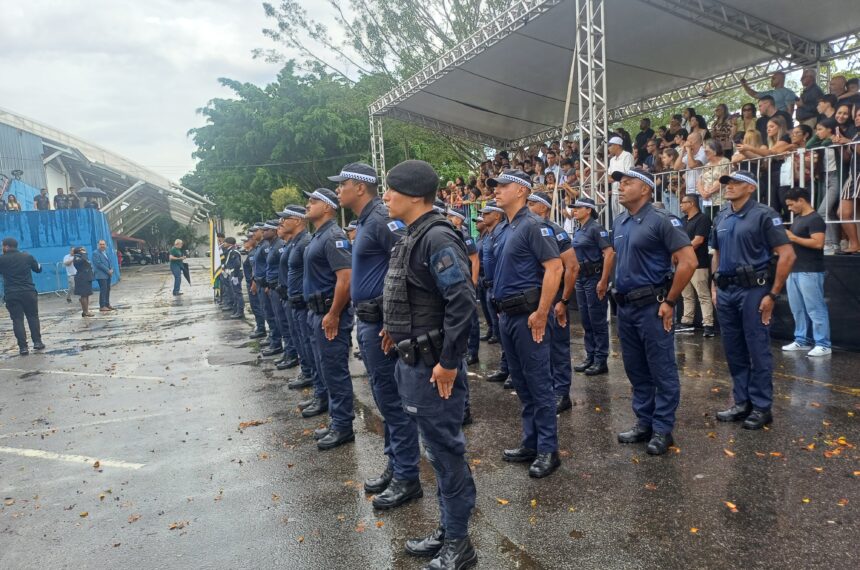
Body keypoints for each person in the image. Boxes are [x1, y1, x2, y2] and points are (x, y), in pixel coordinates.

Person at [381, 160, 477, 568]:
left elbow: (462, 301)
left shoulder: (437, 237)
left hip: (434, 366)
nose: (385, 197)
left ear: (415, 195)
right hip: (413, 361)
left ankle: (460, 543)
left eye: (391, 190)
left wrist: (449, 363)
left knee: (445, 453)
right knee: (435, 454)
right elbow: (414, 294)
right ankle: (448, 529)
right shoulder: (413, 235)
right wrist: (394, 328)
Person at [331, 162, 423, 509]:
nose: (338, 190)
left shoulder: (383, 219)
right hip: (368, 321)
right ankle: (396, 463)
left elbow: (406, 265)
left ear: (359, 186)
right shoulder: (366, 221)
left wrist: (392, 318)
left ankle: (407, 476)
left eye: (342, 183)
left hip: (382, 323)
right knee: (384, 400)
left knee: (394, 402)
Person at [610, 168, 696, 455]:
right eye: (620, 183)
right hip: (626, 307)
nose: (621, 188)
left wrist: (670, 301)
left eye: (628, 183)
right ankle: (643, 421)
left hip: (652, 306)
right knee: (636, 369)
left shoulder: (662, 220)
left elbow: (688, 262)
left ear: (645, 189)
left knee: (661, 369)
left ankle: (662, 429)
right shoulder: (620, 222)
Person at [489, 169, 564, 478]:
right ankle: (531, 442)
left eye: (503, 186)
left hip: (528, 316)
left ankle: (549, 449)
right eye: (496, 186)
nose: (497, 191)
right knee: (521, 383)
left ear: (520, 191)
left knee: (538, 382)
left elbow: (555, 267)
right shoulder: (503, 229)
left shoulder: (534, 225)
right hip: (507, 315)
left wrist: (543, 311)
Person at [711, 171, 796, 430]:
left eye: (735, 183)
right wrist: (715, 286)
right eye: (727, 183)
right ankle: (741, 402)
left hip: (753, 290)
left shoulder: (764, 214)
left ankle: (761, 407)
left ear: (750, 188)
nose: (729, 187)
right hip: (726, 290)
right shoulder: (721, 216)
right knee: (734, 348)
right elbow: (716, 252)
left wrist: (772, 294)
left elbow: (787, 254)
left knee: (757, 348)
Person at [302, 188, 355, 451]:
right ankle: (337, 420)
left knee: (335, 371)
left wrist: (334, 313)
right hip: (318, 313)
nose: (307, 205)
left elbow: (345, 278)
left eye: (313, 201)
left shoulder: (334, 236)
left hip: (329, 314)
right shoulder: (318, 236)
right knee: (325, 369)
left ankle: (344, 425)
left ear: (327, 207)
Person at [526, 190, 580, 413]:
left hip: (554, 297)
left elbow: (572, 266)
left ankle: (562, 393)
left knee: (557, 348)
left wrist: (564, 301)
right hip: (535, 299)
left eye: (532, 204)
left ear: (543, 208)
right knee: (539, 349)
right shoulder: (527, 229)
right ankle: (546, 390)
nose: (527, 207)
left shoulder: (555, 232)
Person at [782, 188, 831, 356]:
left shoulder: (815, 219)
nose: (789, 208)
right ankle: (801, 340)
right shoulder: (798, 219)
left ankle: (823, 343)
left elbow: (818, 243)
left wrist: (793, 238)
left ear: (801, 200)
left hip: (810, 270)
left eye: (791, 205)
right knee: (797, 309)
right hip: (795, 269)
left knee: (815, 308)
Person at [570, 198, 614, 376]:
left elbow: (609, 254)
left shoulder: (596, 228)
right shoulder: (579, 229)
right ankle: (590, 355)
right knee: (586, 319)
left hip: (594, 277)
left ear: (588, 210)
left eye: (578, 208)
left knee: (597, 319)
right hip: (581, 277)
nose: (574, 211)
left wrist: (603, 281)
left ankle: (601, 359)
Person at [277, 207, 318, 393]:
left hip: (303, 303)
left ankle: (315, 383)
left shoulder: (305, 242)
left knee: (309, 346)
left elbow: (310, 275)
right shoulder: (295, 243)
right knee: (300, 341)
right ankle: (307, 372)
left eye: (286, 218)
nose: (282, 222)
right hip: (292, 300)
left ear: (299, 220)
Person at [445, 208, 481, 366]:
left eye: (451, 216)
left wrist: (473, 282)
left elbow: (475, 260)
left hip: (467, 283)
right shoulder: (451, 234)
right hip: (459, 282)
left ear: (459, 220)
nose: (448, 218)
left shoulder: (464, 236)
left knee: (472, 321)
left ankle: (473, 353)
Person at [676, 195, 715, 336]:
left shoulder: (703, 219)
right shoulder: (682, 221)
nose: (680, 205)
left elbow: (698, 240)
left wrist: (682, 251)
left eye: (683, 202)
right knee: (687, 295)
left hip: (699, 263)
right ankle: (687, 321)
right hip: (683, 264)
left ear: (692, 203)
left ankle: (708, 324)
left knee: (703, 295)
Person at [0, 237, 45, 355]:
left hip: (12, 293)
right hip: (28, 292)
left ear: (6, 246)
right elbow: (38, 269)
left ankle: (23, 347)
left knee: (17, 320)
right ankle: (37, 342)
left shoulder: (1, 259)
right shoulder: (27, 256)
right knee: (33, 317)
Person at [265, 218, 299, 368]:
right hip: (279, 289)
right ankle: (288, 352)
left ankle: (291, 354)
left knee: (287, 325)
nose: (280, 227)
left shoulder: (282, 246)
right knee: (282, 323)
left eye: (280, 225)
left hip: (287, 292)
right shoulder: (281, 245)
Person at [244, 225, 268, 338]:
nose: (248, 240)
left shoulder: (258, 250)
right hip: (256, 282)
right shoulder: (257, 249)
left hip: (259, 283)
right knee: (260, 308)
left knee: (260, 308)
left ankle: (262, 329)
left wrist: (254, 282)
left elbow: (257, 268)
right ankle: (268, 334)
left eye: (249, 239)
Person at [607, 135, 634, 218]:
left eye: (610, 145)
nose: (609, 148)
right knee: (616, 218)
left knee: (625, 216)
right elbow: (608, 177)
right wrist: (616, 178)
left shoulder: (627, 155)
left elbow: (628, 174)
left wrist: (615, 178)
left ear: (617, 145)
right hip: (615, 192)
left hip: (624, 192)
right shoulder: (612, 160)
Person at [223, 237, 244, 319]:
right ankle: (236, 310)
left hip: (236, 274)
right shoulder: (230, 251)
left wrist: (235, 276)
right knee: (235, 293)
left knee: (237, 293)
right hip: (233, 273)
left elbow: (237, 264)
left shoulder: (233, 252)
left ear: (229, 243)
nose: (224, 244)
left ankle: (240, 311)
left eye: (225, 242)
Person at [72, 246, 95, 318]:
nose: (85, 251)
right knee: (83, 295)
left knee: (87, 294)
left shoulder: (82, 256)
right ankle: (85, 312)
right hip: (82, 278)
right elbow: (83, 261)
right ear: (79, 251)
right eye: (83, 250)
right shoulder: (76, 257)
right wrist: (84, 254)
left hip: (87, 277)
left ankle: (86, 310)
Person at [93, 239, 114, 312]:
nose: (102, 246)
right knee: (103, 290)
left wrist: (111, 269)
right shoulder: (96, 253)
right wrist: (108, 270)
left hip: (108, 275)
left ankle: (107, 304)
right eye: (101, 244)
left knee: (108, 289)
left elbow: (110, 262)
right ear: (98, 245)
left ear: (105, 245)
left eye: (103, 244)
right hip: (101, 275)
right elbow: (99, 264)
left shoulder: (106, 253)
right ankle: (102, 306)